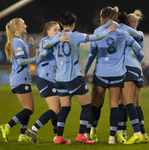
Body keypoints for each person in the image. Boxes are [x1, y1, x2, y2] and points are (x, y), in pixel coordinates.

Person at [42, 11, 116, 145]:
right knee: (87, 106)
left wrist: (57, 39)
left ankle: (59, 137)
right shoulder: (75, 36)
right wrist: (108, 30)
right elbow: (96, 37)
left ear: (61, 24)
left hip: (59, 80)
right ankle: (81, 135)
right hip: (73, 78)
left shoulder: (56, 37)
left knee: (65, 108)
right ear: (74, 24)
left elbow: (44, 46)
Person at [83, 6, 142, 144]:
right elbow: (138, 48)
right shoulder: (122, 31)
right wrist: (134, 59)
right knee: (114, 105)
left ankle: (90, 132)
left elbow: (92, 51)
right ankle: (112, 138)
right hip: (117, 73)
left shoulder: (99, 31)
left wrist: (85, 70)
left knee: (95, 104)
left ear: (103, 17)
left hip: (101, 73)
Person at [25, 21, 70, 143]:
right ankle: (33, 130)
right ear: (48, 31)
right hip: (46, 79)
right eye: (55, 30)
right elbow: (46, 47)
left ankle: (56, 135)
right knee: (55, 109)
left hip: (51, 79)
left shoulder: (57, 42)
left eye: (59, 30)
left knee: (56, 109)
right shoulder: (46, 40)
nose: (57, 32)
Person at [0, 18, 38, 142]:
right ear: (17, 28)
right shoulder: (17, 42)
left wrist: (30, 46)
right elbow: (21, 61)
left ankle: (22, 135)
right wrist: (34, 59)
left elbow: (20, 55)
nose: (26, 26)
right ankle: (7, 126)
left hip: (22, 79)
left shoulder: (18, 41)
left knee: (28, 108)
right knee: (29, 109)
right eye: (23, 24)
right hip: (20, 79)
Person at [124, 9, 149, 143]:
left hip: (130, 69)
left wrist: (120, 26)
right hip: (138, 69)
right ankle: (144, 134)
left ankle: (137, 133)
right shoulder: (134, 33)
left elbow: (131, 33)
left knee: (128, 102)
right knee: (137, 104)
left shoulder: (137, 33)